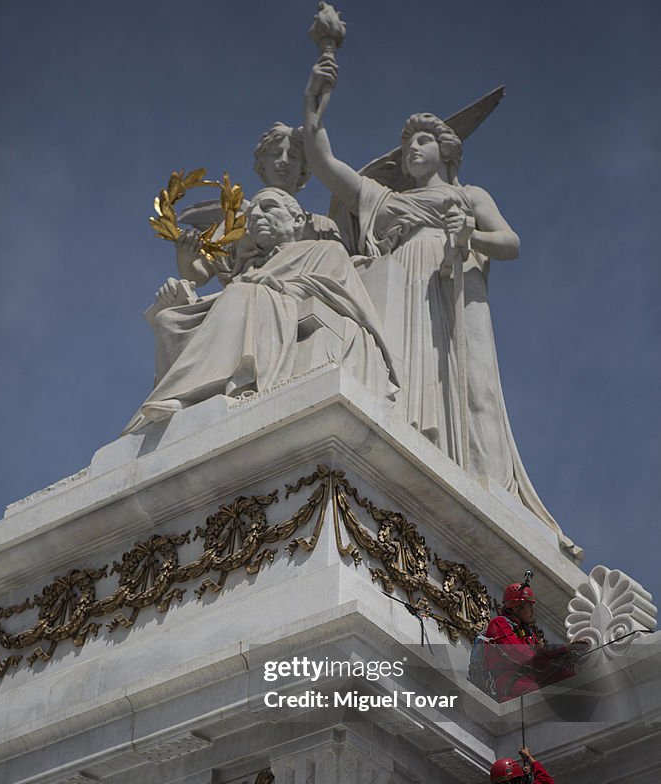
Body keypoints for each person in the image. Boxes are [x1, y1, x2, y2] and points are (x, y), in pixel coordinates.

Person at [302, 53, 581, 560]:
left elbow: (511, 242)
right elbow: (325, 164)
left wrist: (468, 232)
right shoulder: (383, 200)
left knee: (456, 380)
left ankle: (462, 467)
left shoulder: (468, 195)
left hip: (449, 284)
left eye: (423, 141)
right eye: (407, 144)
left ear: (446, 152)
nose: (412, 149)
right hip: (398, 288)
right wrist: (315, 108)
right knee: (402, 376)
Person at [123, 189, 397, 433]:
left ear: (298, 220)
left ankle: (190, 393)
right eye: (251, 215)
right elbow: (222, 303)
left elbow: (338, 293)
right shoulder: (250, 268)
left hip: (278, 308)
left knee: (243, 293)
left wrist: (278, 285)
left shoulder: (324, 250)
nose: (257, 217)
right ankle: (178, 398)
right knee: (168, 319)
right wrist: (183, 292)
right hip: (254, 306)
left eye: (268, 207)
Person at [174, 122, 341, 289]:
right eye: (276, 153)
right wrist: (185, 257)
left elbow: (340, 271)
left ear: (303, 169)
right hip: (244, 297)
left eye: (293, 156)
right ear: (262, 164)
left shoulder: (321, 226)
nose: (283, 161)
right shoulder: (238, 220)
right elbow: (198, 275)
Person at [484, 580, 583, 702]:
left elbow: (541, 657)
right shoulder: (499, 624)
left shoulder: (527, 633)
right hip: (506, 680)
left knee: (569, 678)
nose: (532, 610)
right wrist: (557, 651)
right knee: (535, 693)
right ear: (516, 608)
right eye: (529, 606)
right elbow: (519, 653)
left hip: (529, 676)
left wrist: (566, 651)